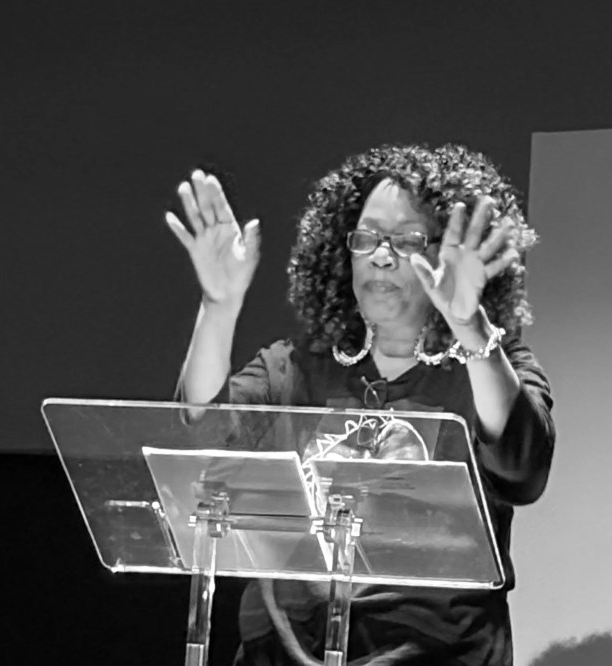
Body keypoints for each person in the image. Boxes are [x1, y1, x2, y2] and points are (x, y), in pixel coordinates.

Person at [165, 143, 555, 665]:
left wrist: (471, 328)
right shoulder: (296, 367)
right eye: (367, 238)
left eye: (407, 240)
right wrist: (218, 307)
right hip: (283, 652)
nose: (382, 254)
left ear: (446, 253)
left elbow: (522, 470)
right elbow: (199, 438)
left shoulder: (488, 369)